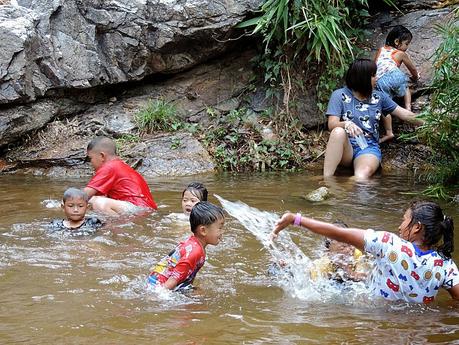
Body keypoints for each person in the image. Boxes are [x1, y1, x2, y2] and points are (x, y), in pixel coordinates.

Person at [271, 201, 459, 304]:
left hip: (374, 316)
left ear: (416, 227)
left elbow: (339, 233)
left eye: (404, 220)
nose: (400, 225)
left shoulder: (389, 244)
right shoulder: (446, 265)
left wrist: (296, 219)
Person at [323, 58, 423, 179]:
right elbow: (332, 124)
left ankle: (344, 191)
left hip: (367, 148)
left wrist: (431, 122)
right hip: (346, 147)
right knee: (337, 132)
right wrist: (347, 124)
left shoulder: (379, 97)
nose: (376, 78)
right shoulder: (339, 95)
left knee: (361, 176)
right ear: (362, 78)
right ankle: (326, 181)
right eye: (373, 75)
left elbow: (405, 114)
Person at [148, 201, 225, 291]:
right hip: (160, 285)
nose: (222, 232)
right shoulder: (194, 252)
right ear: (203, 230)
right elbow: (173, 279)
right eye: (220, 228)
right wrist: (159, 298)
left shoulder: (196, 244)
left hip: (160, 279)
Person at [83, 136, 157, 216]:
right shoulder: (119, 165)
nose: (91, 163)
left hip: (139, 209)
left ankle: (113, 227)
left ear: (102, 156)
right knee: (92, 201)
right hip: (146, 209)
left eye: (90, 159)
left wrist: (68, 199)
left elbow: (84, 195)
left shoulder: (109, 167)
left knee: (98, 202)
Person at [375, 25, 420, 142]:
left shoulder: (381, 50)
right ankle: (408, 108)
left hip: (380, 81)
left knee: (385, 106)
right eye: (406, 44)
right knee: (405, 87)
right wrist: (415, 77)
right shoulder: (400, 53)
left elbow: (374, 66)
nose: (407, 47)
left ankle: (389, 132)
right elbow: (412, 69)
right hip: (394, 75)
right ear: (397, 42)